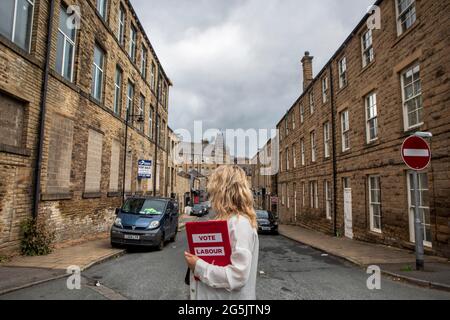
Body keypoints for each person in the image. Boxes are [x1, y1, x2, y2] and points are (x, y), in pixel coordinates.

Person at [184, 165, 259, 300]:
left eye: (213, 189)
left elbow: (238, 276)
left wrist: (198, 266)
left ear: (223, 190)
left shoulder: (239, 223)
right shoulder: (228, 221)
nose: (211, 194)